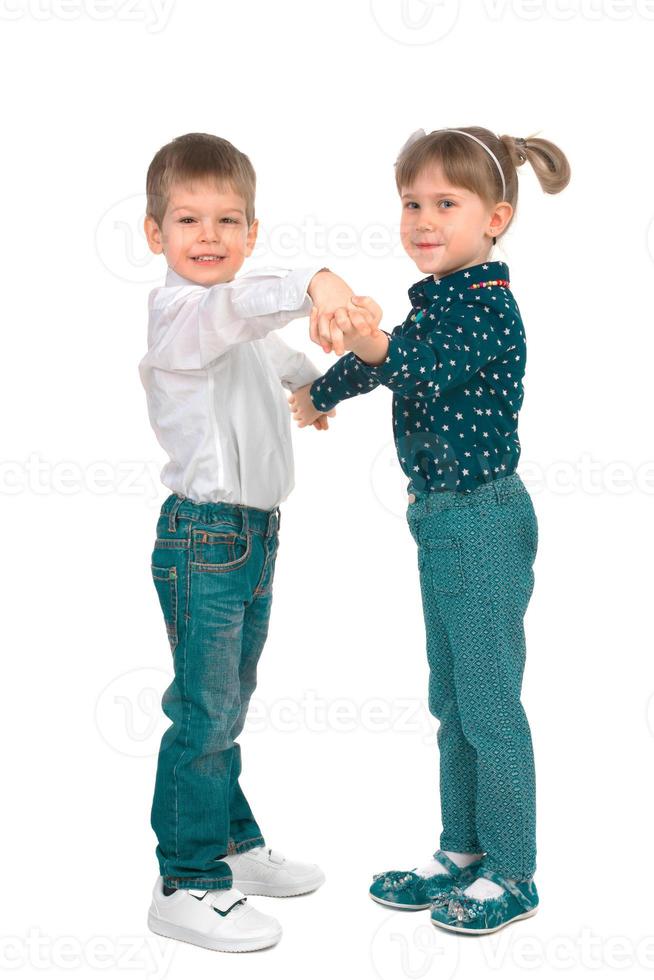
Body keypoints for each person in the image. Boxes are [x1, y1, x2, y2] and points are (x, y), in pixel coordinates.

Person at [289, 126, 570, 935]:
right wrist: (325, 391)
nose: (422, 219)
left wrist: (361, 332)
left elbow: (407, 362)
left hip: (482, 519)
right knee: (450, 700)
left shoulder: (488, 310)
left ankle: (514, 871)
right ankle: (463, 852)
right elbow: (388, 357)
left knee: (490, 708)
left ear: (496, 218)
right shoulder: (441, 299)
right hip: (441, 522)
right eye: (411, 202)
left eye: (446, 203)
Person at [138, 131, 358, 952]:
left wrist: (316, 382)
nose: (208, 236)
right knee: (202, 712)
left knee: (227, 703)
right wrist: (314, 280)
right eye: (188, 220)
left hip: (254, 538)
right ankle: (187, 880)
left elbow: (281, 355)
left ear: (250, 232)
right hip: (204, 539)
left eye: (228, 221)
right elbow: (242, 308)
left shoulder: (237, 326)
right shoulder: (182, 313)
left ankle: (230, 841)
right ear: (155, 234)